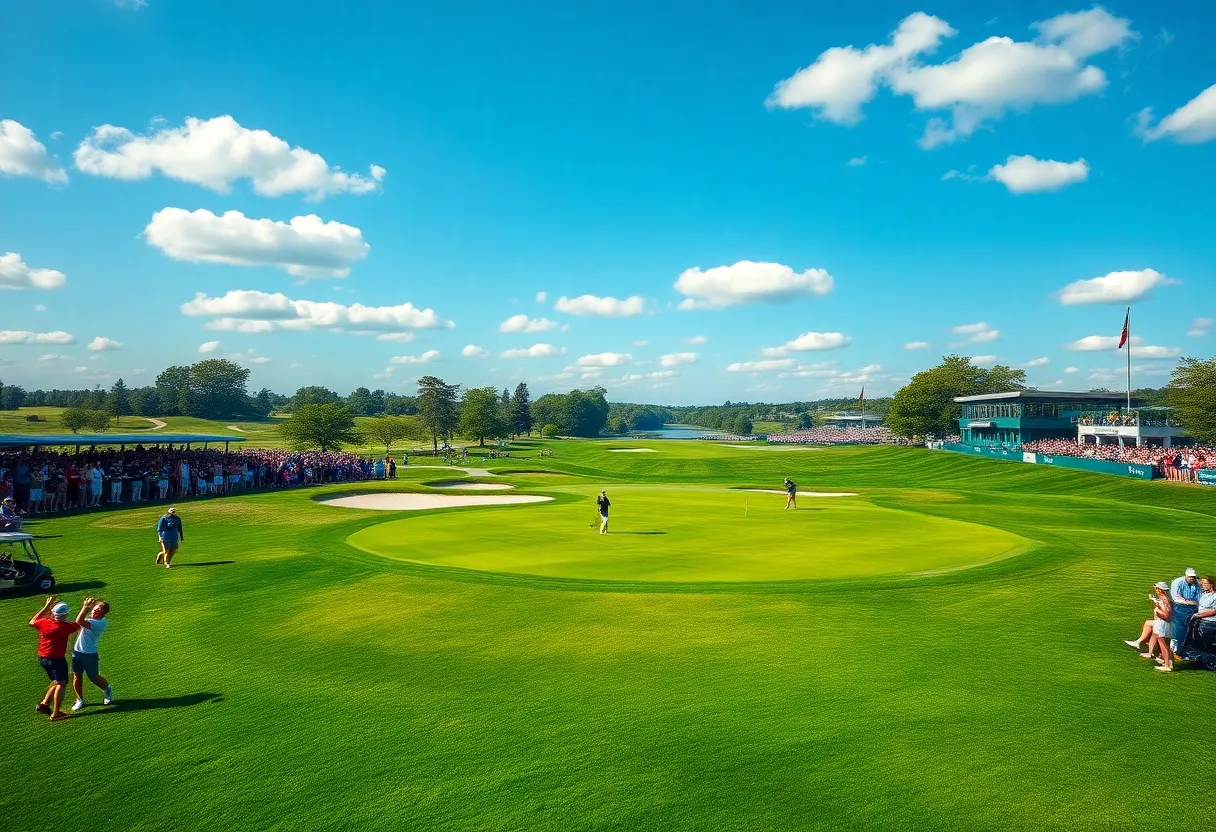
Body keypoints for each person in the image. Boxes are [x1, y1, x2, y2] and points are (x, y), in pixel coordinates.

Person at [30, 597, 81, 720]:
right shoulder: (64, 627)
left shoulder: (44, 622)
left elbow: (32, 621)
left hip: (42, 658)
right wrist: (85, 608)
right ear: (64, 615)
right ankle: (56, 713)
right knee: (61, 684)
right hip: (56, 660)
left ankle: (44, 704)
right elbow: (78, 624)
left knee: (56, 680)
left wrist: (46, 605)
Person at [70, 597, 113, 711]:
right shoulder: (91, 618)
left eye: (98, 610)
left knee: (93, 677)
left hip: (90, 654)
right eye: (94, 609)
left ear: (103, 614)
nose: (94, 611)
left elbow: (79, 621)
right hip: (77, 652)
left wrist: (85, 607)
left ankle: (107, 689)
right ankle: (80, 699)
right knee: (77, 676)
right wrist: (88, 607)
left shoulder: (101, 623)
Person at [1170, 568, 1201, 656]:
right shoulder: (1178, 582)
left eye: (1193, 577)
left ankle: (1187, 647)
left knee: (1192, 627)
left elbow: (1199, 597)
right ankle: (1176, 649)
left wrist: (1196, 604)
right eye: (1190, 577)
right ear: (1186, 575)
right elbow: (1176, 598)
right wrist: (1191, 602)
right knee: (1180, 627)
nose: (1192, 578)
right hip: (1180, 607)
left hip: (1193, 607)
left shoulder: (1197, 583)